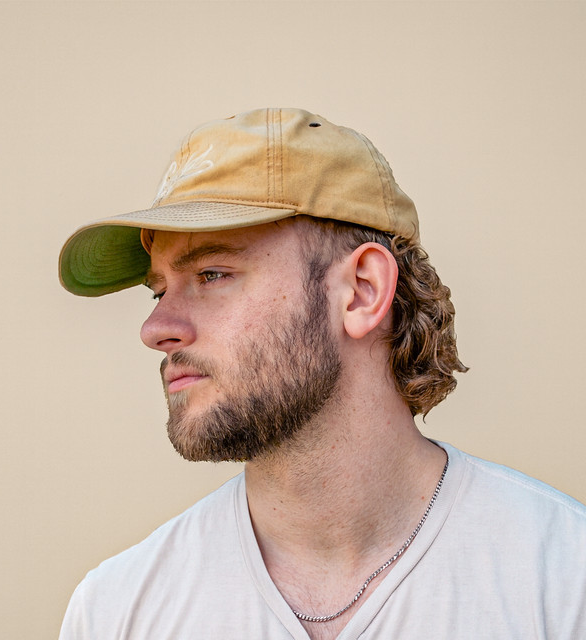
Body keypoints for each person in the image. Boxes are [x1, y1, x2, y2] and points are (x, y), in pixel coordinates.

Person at [58, 108, 586, 640]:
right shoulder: (116, 611)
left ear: (361, 292)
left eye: (212, 274)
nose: (155, 329)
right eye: (158, 291)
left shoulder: (562, 579)